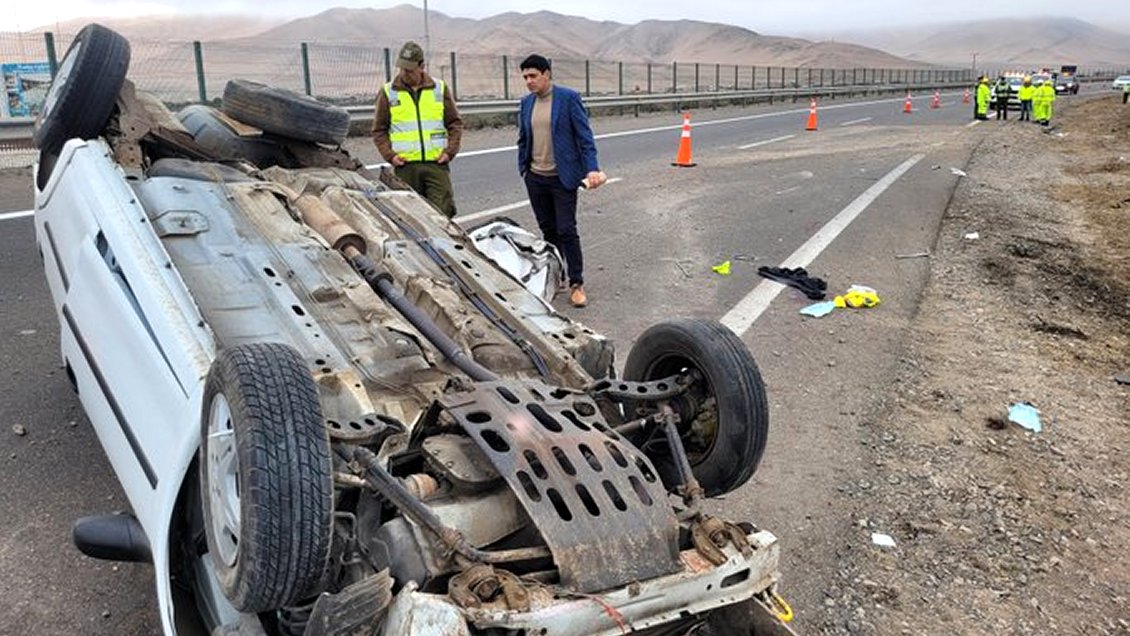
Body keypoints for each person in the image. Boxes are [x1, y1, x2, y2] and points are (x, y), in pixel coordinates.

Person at [516, 54, 606, 308]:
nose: (529, 81)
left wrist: (592, 169)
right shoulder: (526, 103)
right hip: (535, 177)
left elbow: (584, 138)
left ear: (546, 74)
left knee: (566, 229)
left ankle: (577, 283)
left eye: (533, 76)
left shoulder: (568, 98)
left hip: (562, 177)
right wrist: (523, 167)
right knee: (548, 231)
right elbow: (524, 137)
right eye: (525, 77)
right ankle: (557, 277)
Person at [372, 41, 463, 218]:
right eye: (402, 68)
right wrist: (390, 156)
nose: (404, 73)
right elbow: (379, 130)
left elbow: (455, 123)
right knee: (410, 216)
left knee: (442, 215)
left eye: (409, 69)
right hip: (405, 167)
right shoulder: (389, 92)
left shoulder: (439, 88)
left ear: (421, 66)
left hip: (436, 164)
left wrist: (449, 152)